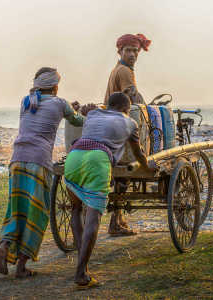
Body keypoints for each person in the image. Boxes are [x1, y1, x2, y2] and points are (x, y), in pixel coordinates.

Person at [0, 67, 84, 278]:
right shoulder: (60, 103)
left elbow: (46, 114)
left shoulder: (26, 101)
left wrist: (69, 109)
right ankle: (22, 267)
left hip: (17, 160)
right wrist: (82, 112)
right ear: (55, 86)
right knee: (36, 213)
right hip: (39, 162)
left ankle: (4, 244)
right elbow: (77, 120)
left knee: (15, 210)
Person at [64, 92, 156, 288]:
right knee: (93, 219)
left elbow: (87, 112)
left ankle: (82, 265)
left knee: (75, 209)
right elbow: (138, 153)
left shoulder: (94, 115)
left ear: (108, 105)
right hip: (97, 160)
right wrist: (148, 168)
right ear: (126, 108)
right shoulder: (130, 123)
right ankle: (81, 273)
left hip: (74, 156)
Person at [104, 33, 151, 235]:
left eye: (135, 51)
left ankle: (118, 218)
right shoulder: (124, 71)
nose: (132, 54)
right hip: (117, 127)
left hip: (110, 125)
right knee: (125, 174)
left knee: (122, 179)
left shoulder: (120, 68)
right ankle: (115, 221)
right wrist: (151, 109)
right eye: (128, 50)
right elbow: (133, 96)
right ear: (120, 51)